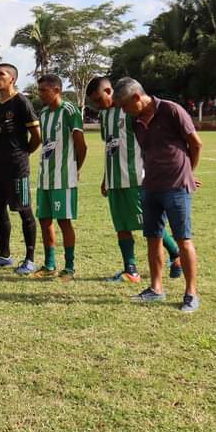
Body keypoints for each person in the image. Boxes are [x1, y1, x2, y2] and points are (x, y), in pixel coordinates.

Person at [116, 77, 203, 313]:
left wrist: (188, 172)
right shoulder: (135, 121)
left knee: (183, 239)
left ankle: (191, 293)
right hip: (150, 187)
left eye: (125, 105)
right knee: (153, 238)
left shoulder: (172, 110)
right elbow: (147, 152)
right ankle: (156, 288)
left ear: (137, 97)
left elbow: (195, 144)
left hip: (176, 186)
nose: (123, 111)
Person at [88, 76, 182, 282]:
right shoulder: (104, 116)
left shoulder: (130, 111)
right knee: (121, 226)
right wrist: (106, 178)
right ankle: (131, 270)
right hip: (114, 180)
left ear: (109, 91)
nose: (97, 105)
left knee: (148, 224)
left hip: (135, 178)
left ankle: (177, 254)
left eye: (98, 99)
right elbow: (110, 146)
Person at [0, 63, 41, 275]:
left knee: (24, 210)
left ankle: (30, 259)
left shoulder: (21, 102)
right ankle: (4, 255)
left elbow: (37, 137)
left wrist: (24, 153)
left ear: (12, 79)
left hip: (17, 166)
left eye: (1, 74)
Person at [30, 74, 86, 280]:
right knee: (44, 220)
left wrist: (75, 168)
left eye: (44, 90)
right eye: (39, 91)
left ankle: (69, 267)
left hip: (64, 177)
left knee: (64, 221)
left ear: (57, 90)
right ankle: (49, 264)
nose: (41, 94)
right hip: (45, 176)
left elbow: (81, 145)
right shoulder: (43, 113)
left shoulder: (70, 111)